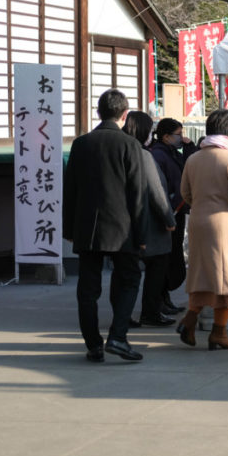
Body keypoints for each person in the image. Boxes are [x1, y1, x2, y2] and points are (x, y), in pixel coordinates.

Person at [64, 89, 148, 362]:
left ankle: (93, 344)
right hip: (122, 229)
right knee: (130, 279)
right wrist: (142, 233)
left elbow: (71, 190)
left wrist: (69, 229)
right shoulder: (130, 145)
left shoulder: (81, 144)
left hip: (87, 227)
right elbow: (138, 194)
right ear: (125, 115)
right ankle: (118, 336)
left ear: (98, 113)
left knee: (87, 288)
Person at [177, 109, 228, 350]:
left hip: (198, 221)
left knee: (201, 274)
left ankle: (190, 320)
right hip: (224, 223)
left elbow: (185, 193)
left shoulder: (193, 158)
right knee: (227, 279)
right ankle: (218, 332)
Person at [122, 111, 177, 327]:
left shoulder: (121, 151)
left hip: (124, 223)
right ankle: (151, 312)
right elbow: (156, 191)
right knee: (156, 269)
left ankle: (123, 314)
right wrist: (169, 218)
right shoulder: (143, 155)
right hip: (151, 223)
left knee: (125, 273)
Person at [149, 117, 200, 316]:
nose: (182, 138)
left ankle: (165, 299)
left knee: (172, 257)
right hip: (168, 212)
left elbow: (188, 167)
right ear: (166, 137)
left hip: (177, 211)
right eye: (178, 135)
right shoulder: (159, 155)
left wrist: (188, 148)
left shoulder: (171, 153)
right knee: (164, 260)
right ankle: (159, 300)